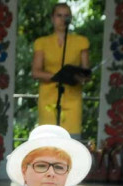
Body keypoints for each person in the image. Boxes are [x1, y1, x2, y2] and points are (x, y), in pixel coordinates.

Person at [31, 3, 90, 136]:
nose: (63, 19)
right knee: (48, 140)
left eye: (66, 16)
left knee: (71, 140)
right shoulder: (42, 42)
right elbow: (36, 72)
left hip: (72, 98)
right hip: (48, 99)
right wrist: (59, 76)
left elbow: (86, 72)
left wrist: (81, 77)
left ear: (71, 19)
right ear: (52, 18)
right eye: (59, 15)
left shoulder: (81, 41)